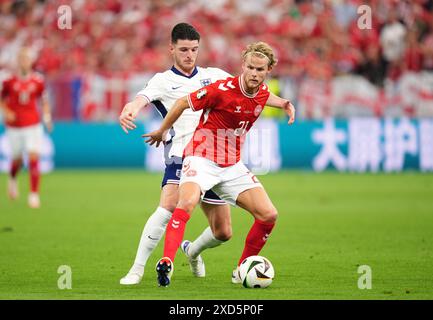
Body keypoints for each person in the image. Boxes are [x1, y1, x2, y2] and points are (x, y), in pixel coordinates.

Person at [143, 41, 296, 287]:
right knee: (187, 203)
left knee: (268, 215)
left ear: (268, 71)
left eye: (260, 70)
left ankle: (241, 269)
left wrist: (286, 104)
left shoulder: (263, 92)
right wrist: (162, 130)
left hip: (232, 166)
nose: (254, 74)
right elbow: (183, 102)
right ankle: (166, 262)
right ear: (243, 65)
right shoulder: (220, 89)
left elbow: (267, 98)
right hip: (200, 158)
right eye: (250, 68)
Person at [118, 23, 234, 285]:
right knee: (169, 205)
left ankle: (192, 251)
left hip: (213, 158)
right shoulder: (162, 81)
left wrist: (279, 101)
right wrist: (130, 109)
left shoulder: (213, 75)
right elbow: (140, 99)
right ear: (171, 49)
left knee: (224, 232)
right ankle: (136, 269)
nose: (189, 55)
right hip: (180, 155)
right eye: (183, 49)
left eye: (194, 49)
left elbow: (244, 88)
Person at [0, 47, 53, 209]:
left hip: (33, 124)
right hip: (14, 126)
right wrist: (7, 111)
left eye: (26, 59)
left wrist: (47, 118)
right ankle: (13, 179)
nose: (24, 62)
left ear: (31, 61)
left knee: (33, 156)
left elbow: (44, 101)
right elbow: (1, 100)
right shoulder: (9, 81)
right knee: (17, 159)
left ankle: (34, 194)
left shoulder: (38, 81)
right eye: (21, 59)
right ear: (18, 61)